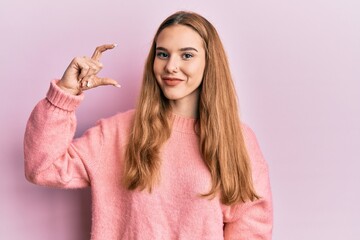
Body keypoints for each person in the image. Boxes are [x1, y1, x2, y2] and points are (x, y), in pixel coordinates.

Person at [24, 11, 273, 240]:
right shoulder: (116, 133)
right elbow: (42, 167)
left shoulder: (238, 139)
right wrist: (65, 94)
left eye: (187, 55)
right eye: (162, 54)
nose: (170, 66)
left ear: (210, 62)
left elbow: (251, 227)